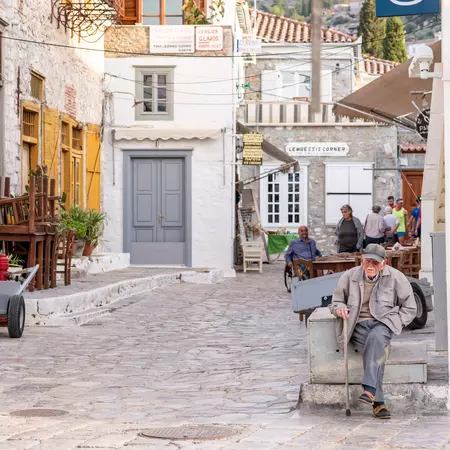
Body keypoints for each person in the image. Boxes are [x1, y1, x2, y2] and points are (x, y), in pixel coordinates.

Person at [330, 244, 416, 419]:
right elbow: (336, 301)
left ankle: (370, 389)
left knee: (377, 338)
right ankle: (378, 403)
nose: (370, 265)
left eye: (375, 263)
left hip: (384, 322)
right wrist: (339, 308)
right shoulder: (349, 276)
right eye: (367, 261)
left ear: (383, 264)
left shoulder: (396, 278)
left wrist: (397, 322)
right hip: (358, 324)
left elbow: (410, 307)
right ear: (362, 260)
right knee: (376, 351)